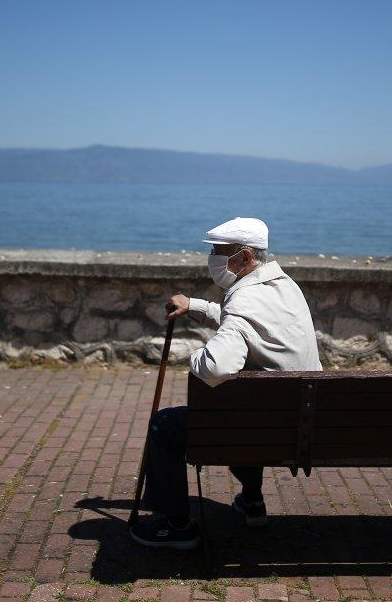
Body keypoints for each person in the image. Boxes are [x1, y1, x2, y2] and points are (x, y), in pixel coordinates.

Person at [129, 217, 323, 550]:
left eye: (220, 253)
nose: (214, 260)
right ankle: (251, 501)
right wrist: (197, 307)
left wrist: (194, 354)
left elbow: (215, 368)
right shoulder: (285, 286)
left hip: (262, 427)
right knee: (252, 405)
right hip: (301, 423)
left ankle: (177, 526)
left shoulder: (244, 300)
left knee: (165, 426)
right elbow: (250, 325)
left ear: (245, 258)